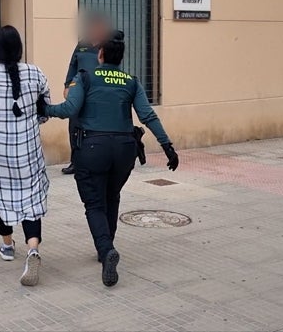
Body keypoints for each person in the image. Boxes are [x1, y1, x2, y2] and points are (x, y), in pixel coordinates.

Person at [38, 30, 179, 287]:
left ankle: (106, 251)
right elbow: (147, 116)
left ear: (100, 54)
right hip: (125, 149)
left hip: (92, 148)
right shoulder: (131, 81)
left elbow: (69, 109)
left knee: (94, 203)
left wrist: (44, 108)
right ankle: (108, 245)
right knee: (112, 196)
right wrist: (167, 145)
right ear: (121, 57)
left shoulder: (86, 78)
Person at [0, 25, 51, 286]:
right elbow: (45, 112)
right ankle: (33, 248)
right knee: (31, 197)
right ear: (19, 48)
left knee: (1, 194)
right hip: (27, 149)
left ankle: (7, 246)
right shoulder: (36, 73)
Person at [61, 12, 111, 174]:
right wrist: (67, 85)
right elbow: (72, 65)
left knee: (96, 129)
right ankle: (75, 162)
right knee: (74, 126)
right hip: (78, 92)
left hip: (98, 95)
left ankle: (97, 161)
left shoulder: (108, 46)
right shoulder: (82, 44)